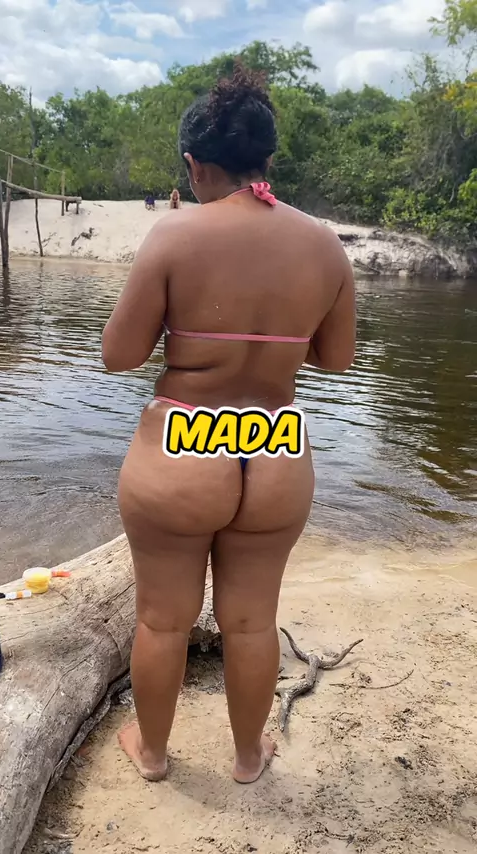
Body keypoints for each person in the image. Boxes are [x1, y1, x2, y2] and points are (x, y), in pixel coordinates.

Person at [102, 64, 355, 785]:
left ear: (195, 164)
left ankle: (154, 754)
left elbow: (119, 355)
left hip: (184, 445)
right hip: (274, 447)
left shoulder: (174, 234)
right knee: (251, 619)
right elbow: (336, 360)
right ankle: (248, 757)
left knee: (162, 619)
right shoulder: (325, 245)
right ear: (267, 159)